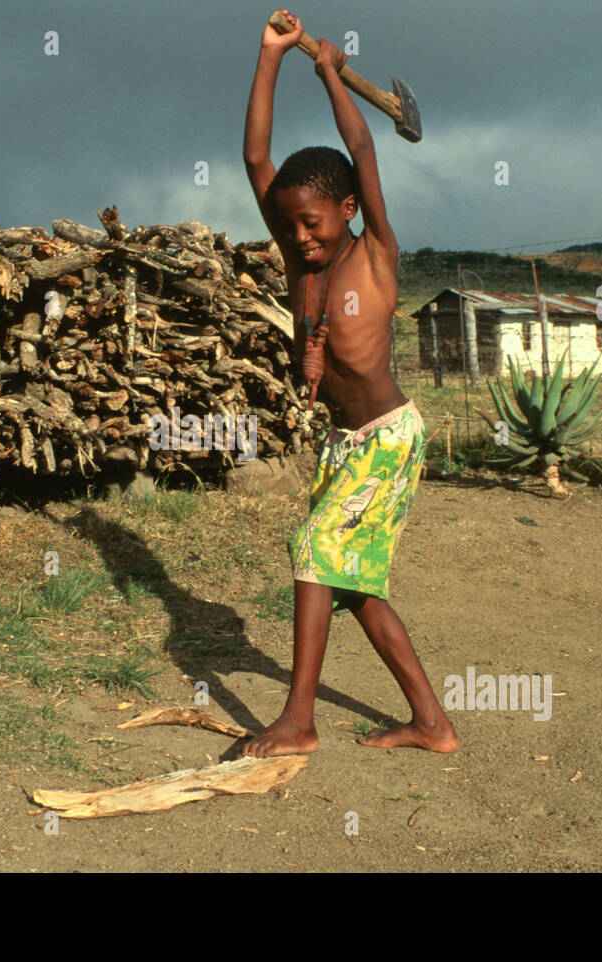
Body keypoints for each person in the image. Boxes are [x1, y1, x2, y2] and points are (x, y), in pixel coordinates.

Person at [240, 10, 457, 757]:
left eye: (315, 222)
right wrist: (271, 56)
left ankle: (298, 720)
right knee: (354, 585)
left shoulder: (375, 257)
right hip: (346, 443)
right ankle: (433, 723)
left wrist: (331, 73)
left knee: (313, 549)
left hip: (388, 439)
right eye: (291, 224)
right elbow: (257, 158)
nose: (302, 236)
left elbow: (362, 145)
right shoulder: (303, 265)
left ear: (349, 211)